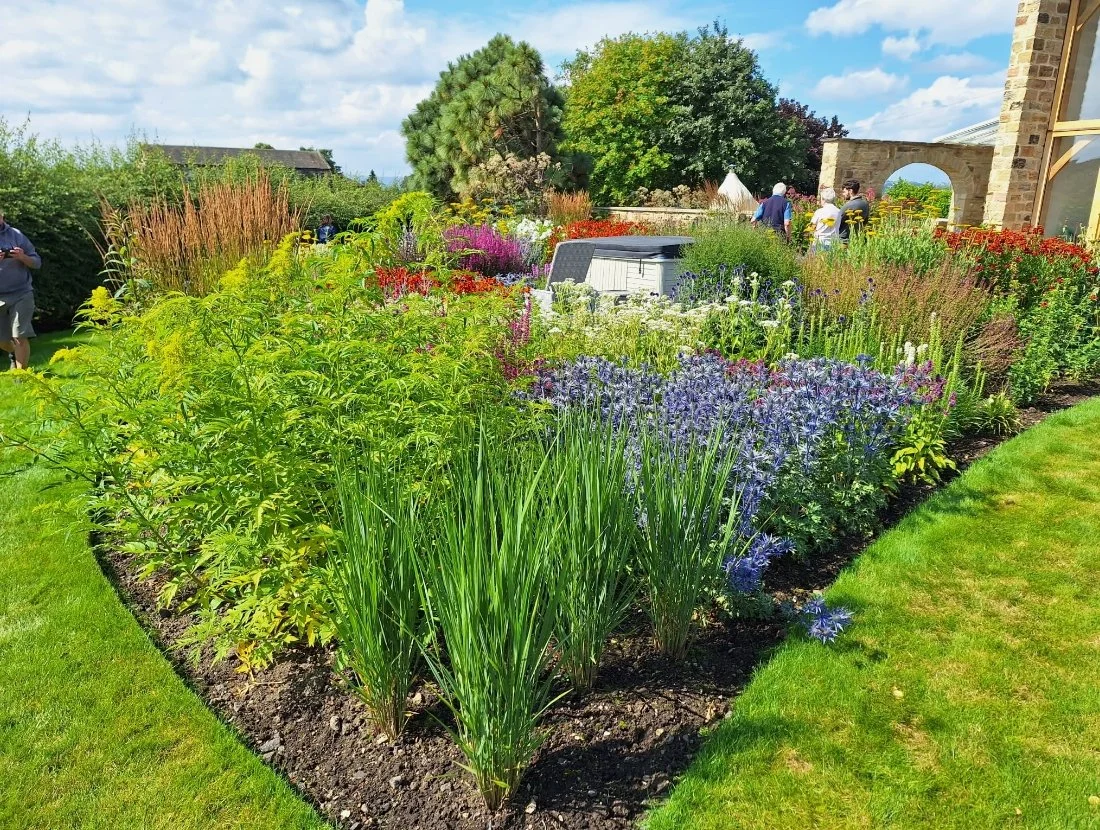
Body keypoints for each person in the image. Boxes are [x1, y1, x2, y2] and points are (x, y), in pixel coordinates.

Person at [0, 209, 41, 371]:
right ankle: (14, 354)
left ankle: (22, 376)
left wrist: (22, 257)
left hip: (21, 292)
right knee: (3, 341)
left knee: (19, 336)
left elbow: (37, 263)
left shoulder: (16, 235)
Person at [838, 179, 871, 243]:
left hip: (845, 239)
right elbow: (865, 221)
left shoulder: (849, 205)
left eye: (844, 192)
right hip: (858, 238)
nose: (843, 194)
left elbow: (838, 221)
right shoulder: (865, 203)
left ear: (850, 191)